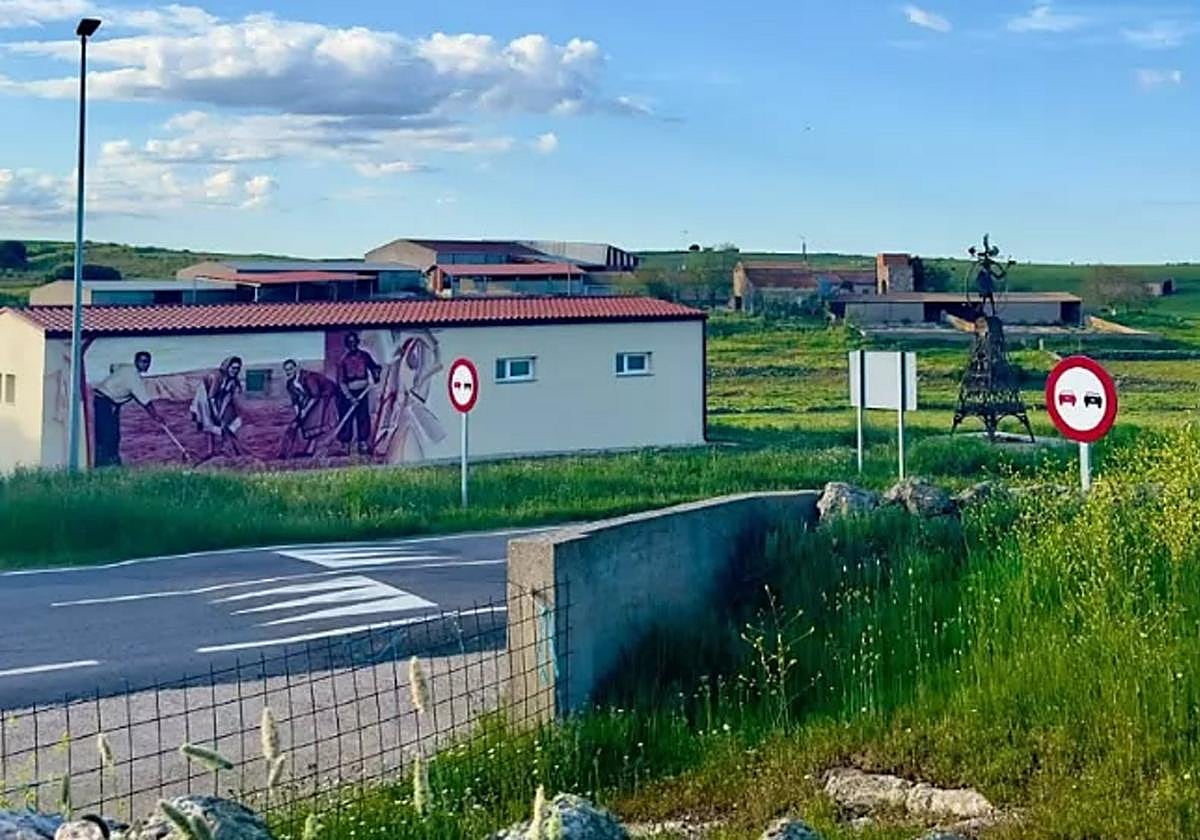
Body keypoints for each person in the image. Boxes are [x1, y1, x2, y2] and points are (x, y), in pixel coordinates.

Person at [91, 351, 164, 468]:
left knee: (109, 434)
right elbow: (146, 402)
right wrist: (156, 416)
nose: (145, 365)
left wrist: (118, 383)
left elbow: (113, 367)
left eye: (147, 362)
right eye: (142, 361)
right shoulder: (134, 379)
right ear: (136, 362)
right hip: (106, 402)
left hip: (104, 401)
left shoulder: (126, 368)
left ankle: (107, 461)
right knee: (109, 435)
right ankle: (106, 464)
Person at [279, 359, 338, 459]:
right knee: (301, 423)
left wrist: (305, 411)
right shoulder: (290, 384)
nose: (288, 372)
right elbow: (296, 402)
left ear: (296, 368)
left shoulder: (308, 377)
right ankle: (301, 450)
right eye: (286, 370)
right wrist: (299, 415)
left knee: (313, 420)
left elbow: (315, 396)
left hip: (326, 396)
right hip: (311, 399)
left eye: (290, 369)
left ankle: (311, 450)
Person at [336, 332, 381, 456]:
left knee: (363, 417)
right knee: (347, 419)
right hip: (347, 394)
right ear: (347, 345)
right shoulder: (343, 361)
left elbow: (375, 367)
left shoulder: (365, 356)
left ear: (357, 342)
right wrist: (350, 398)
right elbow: (341, 382)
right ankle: (345, 445)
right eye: (349, 343)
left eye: (354, 342)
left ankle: (363, 443)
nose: (352, 345)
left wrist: (376, 374)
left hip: (363, 393)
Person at [190, 356, 244, 458]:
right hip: (204, 396)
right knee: (209, 421)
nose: (235, 371)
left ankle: (227, 448)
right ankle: (211, 450)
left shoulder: (232, 380)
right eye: (233, 368)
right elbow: (211, 398)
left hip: (217, 397)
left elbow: (227, 399)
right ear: (227, 367)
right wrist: (216, 414)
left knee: (226, 421)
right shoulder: (217, 377)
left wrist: (221, 414)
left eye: (237, 368)